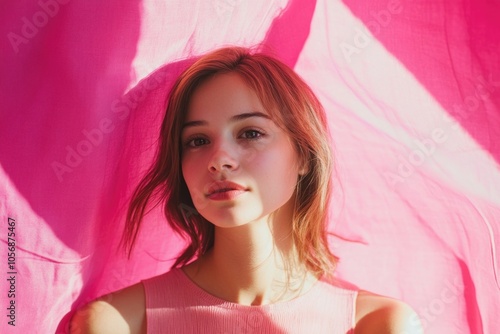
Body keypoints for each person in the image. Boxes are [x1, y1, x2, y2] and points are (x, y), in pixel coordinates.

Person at [70, 46, 422, 333]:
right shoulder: (117, 323)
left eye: (250, 133)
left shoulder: (379, 324)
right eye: (197, 140)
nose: (219, 159)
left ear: (303, 154)